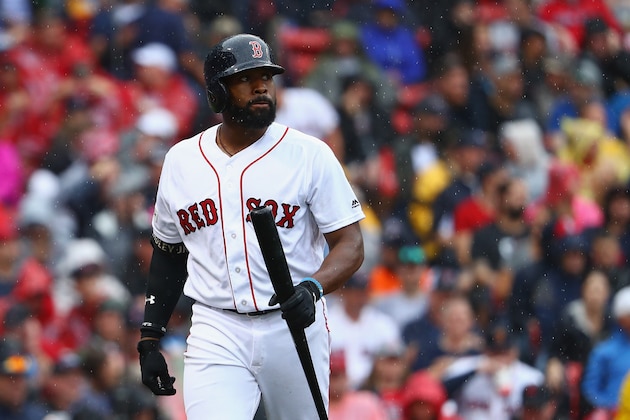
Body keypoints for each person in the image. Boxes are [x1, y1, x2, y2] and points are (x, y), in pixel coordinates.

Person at [136, 33, 365, 420]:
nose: (261, 86)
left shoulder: (309, 154)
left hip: (292, 325)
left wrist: (313, 288)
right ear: (216, 92)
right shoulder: (181, 160)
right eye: (246, 78)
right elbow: (170, 251)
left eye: (267, 77)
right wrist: (150, 335)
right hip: (216, 327)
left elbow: (350, 243)